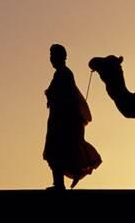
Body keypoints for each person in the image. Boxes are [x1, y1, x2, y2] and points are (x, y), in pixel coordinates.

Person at [43, 44, 102, 190]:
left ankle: (60, 184)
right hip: (58, 119)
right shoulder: (61, 74)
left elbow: (65, 97)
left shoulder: (64, 74)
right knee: (55, 153)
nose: (51, 59)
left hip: (63, 122)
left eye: (53, 55)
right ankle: (58, 184)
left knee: (58, 152)